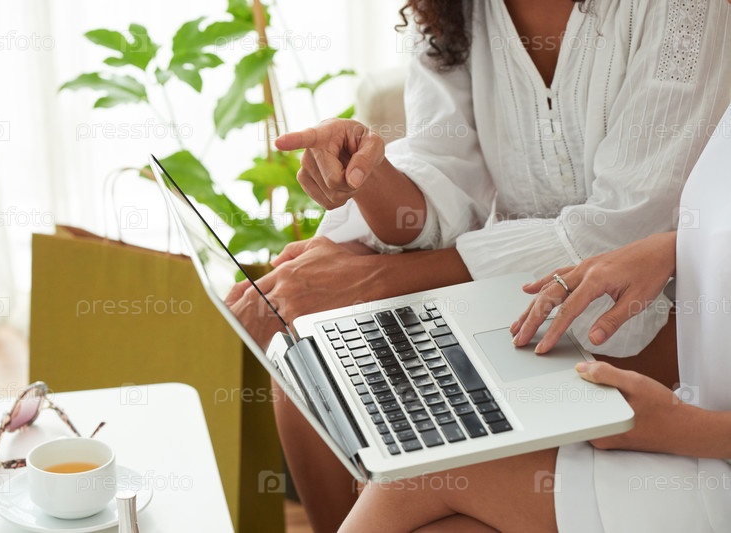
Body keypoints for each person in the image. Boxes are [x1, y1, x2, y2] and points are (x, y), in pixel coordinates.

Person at [225, 0, 731, 530]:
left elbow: (617, 234)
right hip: (514, 304)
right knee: (310, 361)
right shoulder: (449, 10)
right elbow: (443, 176)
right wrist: (367, 177)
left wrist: (372, 281)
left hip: (647, 326)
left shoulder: (683, 10)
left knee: (410, 459)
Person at [340, 69, 731, 533]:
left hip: (708, 446)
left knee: (419, 468)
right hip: (704, 432)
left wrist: (678, 426)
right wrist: (673, 249)